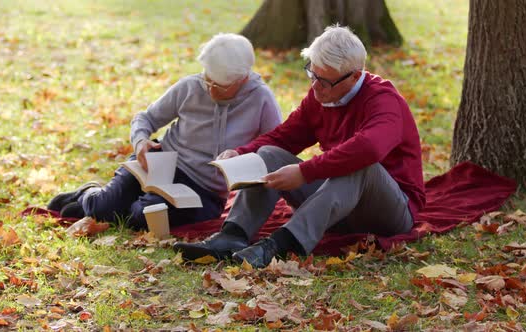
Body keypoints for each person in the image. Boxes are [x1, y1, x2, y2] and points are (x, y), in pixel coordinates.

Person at [173, 25, 426, 267]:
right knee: (269, 154)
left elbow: (369, 149)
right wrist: (241, 153)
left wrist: (305, 172)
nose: (315, 86)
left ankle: (280, 246)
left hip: (390, 213)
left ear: (355, 76)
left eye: (325, 81)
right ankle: (232, 235)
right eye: (312, 74)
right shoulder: (320, 95)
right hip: (340, 209)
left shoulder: (383, 100)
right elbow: (284, 137)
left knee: (362, 164)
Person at [47, 33, 283, 230]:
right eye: (207, 81)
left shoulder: (261, 99)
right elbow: (146, 118)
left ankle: (113, 208)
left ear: (242, 79)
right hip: (160, 164)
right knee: (104, 207)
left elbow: (273, 148)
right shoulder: (190, 87)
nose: (210, 90)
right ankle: (91, 195)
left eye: (219, 87)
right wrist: (140, 142)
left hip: (205, 190)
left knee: (144, 217)